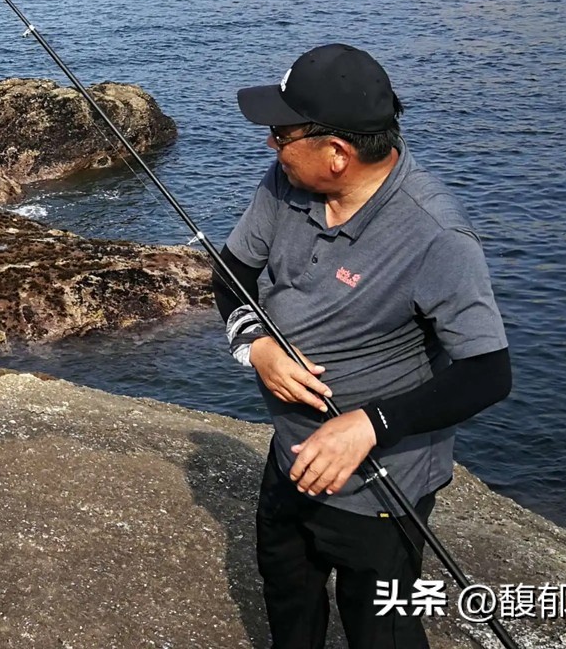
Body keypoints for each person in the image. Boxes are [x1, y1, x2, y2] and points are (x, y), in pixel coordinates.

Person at [213, 43, 511, 649]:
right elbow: (231, 273)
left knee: (380, 629)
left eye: (281, 134)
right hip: (289, 459)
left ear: (337, 153)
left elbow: (488, 372)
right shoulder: (286, 182)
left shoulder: (436, 236)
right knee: (287, 597)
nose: (270, 144)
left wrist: (369, 425)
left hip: (378, 488)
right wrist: (255, 344)